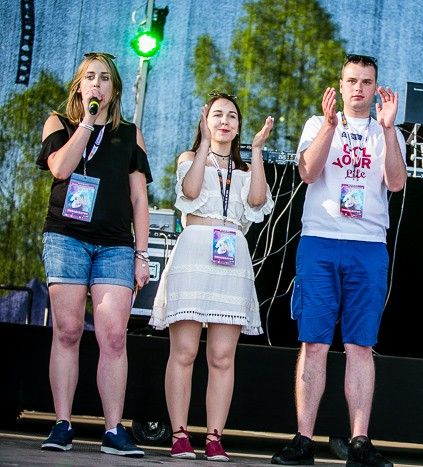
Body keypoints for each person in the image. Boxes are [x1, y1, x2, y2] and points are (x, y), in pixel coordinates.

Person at [271, 54, 407, 467]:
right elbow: (308, 173)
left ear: (376, 88)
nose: (359, 88)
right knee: (313, 342)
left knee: (360, 345)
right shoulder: (318, 123)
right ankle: (303, 440)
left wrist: (388, 130)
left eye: (366, 82)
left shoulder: (388, 130)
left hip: (367, 245)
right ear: (341, 84)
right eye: (352, 81)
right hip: (321, 240)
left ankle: (360, 442)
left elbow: (396, 183)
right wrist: (331, 126)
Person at [36, 52, 151, 457]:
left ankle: (114, 430)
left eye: (104, 78)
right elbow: (60, 169)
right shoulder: (59, 123)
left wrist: (141, 254)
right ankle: (62, 424)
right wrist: (86, 123)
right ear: (79, 87)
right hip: (66, 238)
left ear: (114, 90)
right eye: (90, 77)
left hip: (116, 244)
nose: (97, 84)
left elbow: (139, 199)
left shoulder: (130, 134)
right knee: (67, 330)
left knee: (114, 335)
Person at [149, 93, 275, 461]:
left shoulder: (245, 169)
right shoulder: (190, 159)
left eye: (232, 116)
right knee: (185, 351)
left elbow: (256, 202)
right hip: (194, 254)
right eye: (217, 114)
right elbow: (190, 191)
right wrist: (204, 143)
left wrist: (256, 151)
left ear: (238, 126)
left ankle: (215, 437)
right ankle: (179, 435)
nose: (225, 121)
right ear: (206, 121)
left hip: (231, 261)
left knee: (222, 356)